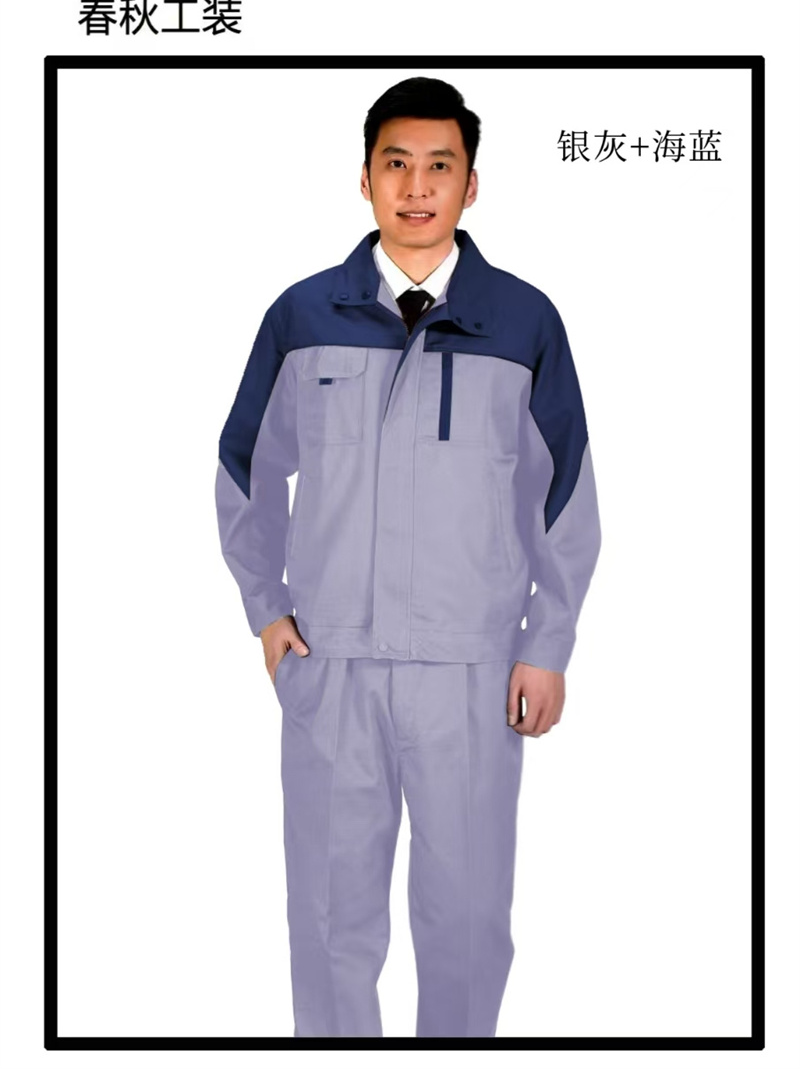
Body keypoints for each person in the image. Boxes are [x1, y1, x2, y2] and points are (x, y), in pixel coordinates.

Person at [215, 76, 602, 1038]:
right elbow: (245, 470)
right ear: (365, 178)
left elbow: (565, 496)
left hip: (473, 671)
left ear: (472, 185)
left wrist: (546, 644)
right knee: (328, 922)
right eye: (397, 164)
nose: (417, 186)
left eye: (440, 165)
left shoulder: (524, 322)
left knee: (466, 923)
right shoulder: (303, 316)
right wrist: (267, 611)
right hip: (330, 664)